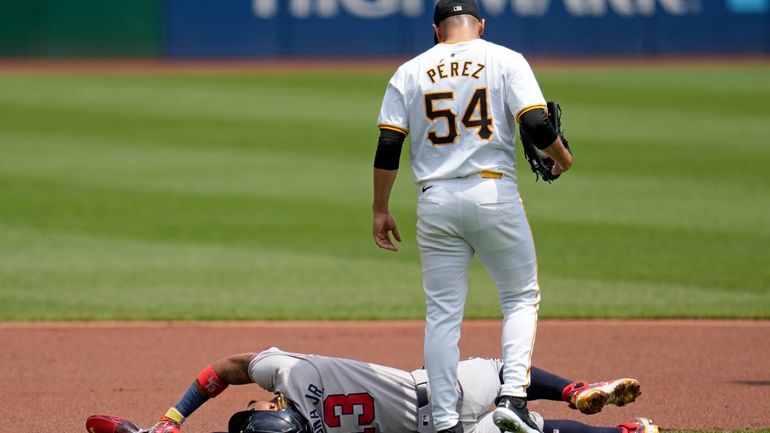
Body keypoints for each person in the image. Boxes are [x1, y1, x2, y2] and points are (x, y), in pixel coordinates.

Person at [371, 2, 573, 433]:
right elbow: (537, 123)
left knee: (443, 314)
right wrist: (563, 157)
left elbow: (388, 146)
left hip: (435, 199)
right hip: (492, 191)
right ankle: (514, 398)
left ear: (435, 30)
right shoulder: (505, 58)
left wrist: (380, 209)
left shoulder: (409, 71)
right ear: (480, 25)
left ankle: (444, 422)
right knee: (519, 296)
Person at [86, 347, 651, 433]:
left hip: (444, 427)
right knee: (504, 371)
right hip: (440, 384)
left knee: (533, 431)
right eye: (251, 410)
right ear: (274, 407)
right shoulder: (292, 375)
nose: (250, 405)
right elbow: (223, 370)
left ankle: (625, 432)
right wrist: (172, 418)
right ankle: (576, 387)